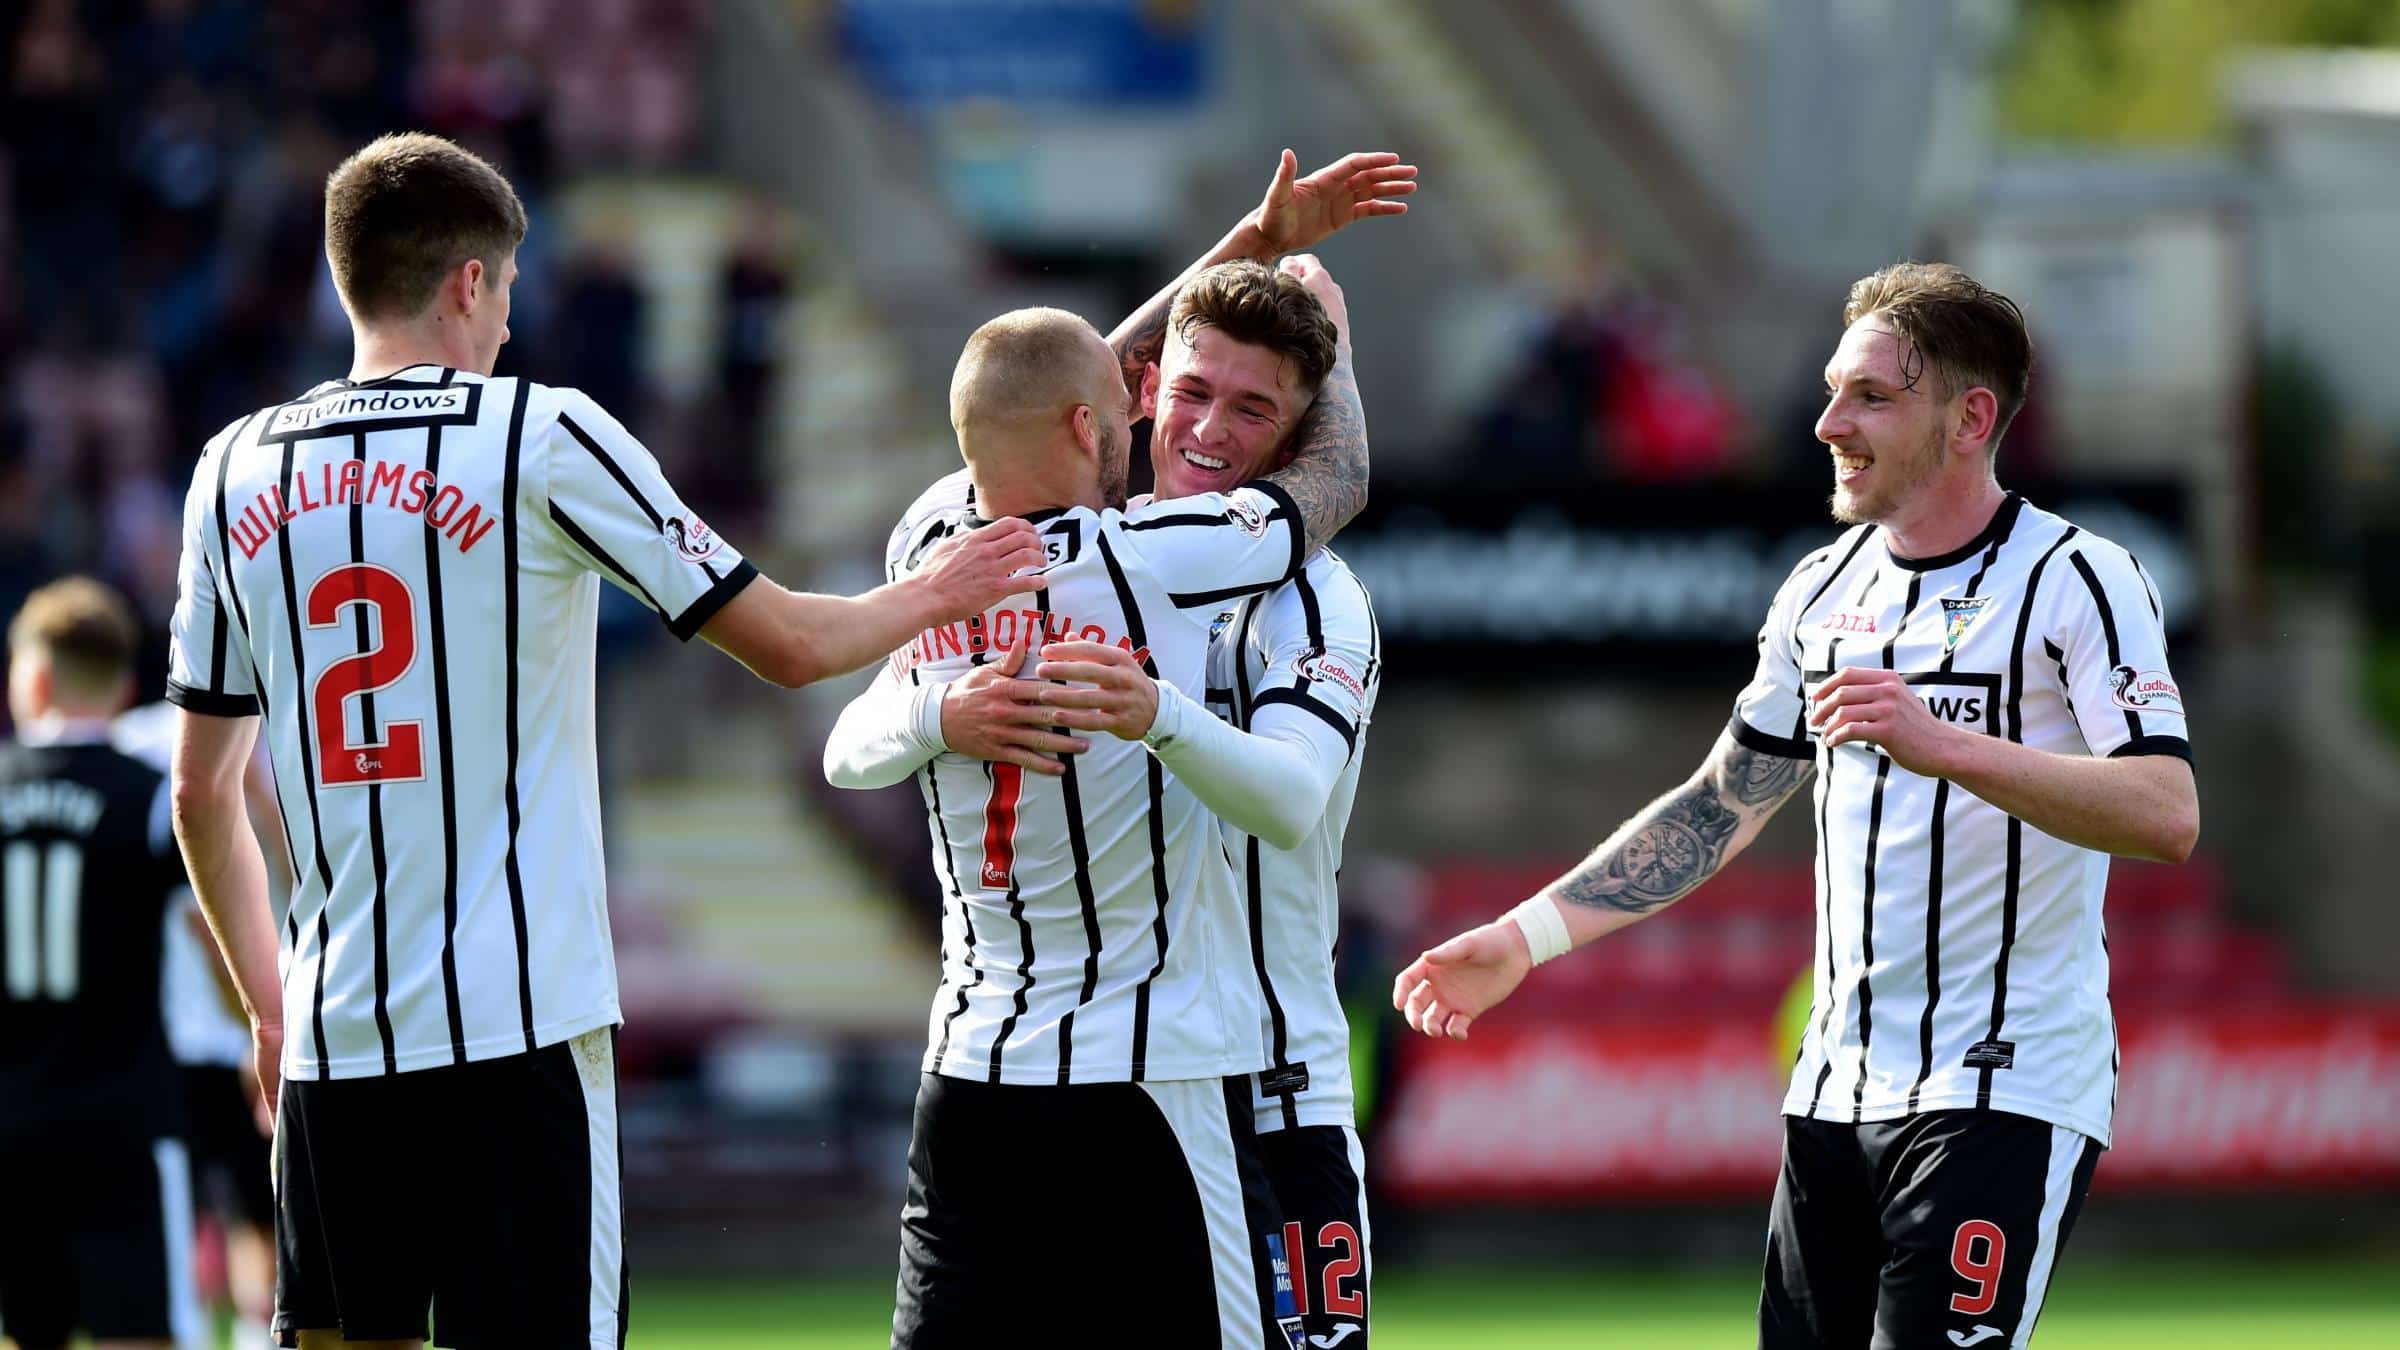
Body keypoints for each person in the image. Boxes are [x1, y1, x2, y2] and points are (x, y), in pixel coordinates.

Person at [162, 131, 1047, 1350]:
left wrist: (271, 1008)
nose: (507, 327)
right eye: (507, 295)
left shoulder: (229, 471)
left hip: (336, 1040)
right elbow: (791, 645)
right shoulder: (540, 435)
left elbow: (201, 790)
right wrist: (937, 593)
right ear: (470, 281)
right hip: (519, 1031)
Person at [1394, 263, 2200, 1350]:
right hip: (1833, 1094)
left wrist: (1942, 743)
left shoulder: (2079, 578)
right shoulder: (1821, 588)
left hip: (2003, 1089)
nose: (1828, 425)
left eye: (1871, 397)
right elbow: (1721, 804)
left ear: (1970, 420)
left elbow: (2166, 810)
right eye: (1832, 392)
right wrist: (1524, 937)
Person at [827, 258, 1385, 1348]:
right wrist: (943, 711)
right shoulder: (1082, 554)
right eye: (1192, 392)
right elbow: (1034, 388)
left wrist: (1147, 713)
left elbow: (1291, 799)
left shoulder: (1314, 600)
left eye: (1254, 408)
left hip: (1268, 1082)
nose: (1209, 430)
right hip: (1128, 1069)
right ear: (1138, 394)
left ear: (1296, 428)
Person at [0, 578, 205, 1350]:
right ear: (122, 690)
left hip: (10, 1118)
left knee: (27, 1334)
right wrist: (262, 1018)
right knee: (140, 1334)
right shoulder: (150, 798)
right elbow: (206, 925)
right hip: (124, 1115)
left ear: (33, 679)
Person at [117, 698, 285, 1350]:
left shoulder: (268, 729)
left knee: (251, 1215)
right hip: (193, 1027)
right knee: (211, 1214)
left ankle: (241, 1331)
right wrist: (259, 1018)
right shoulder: (146, 740)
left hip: (216, 1028)